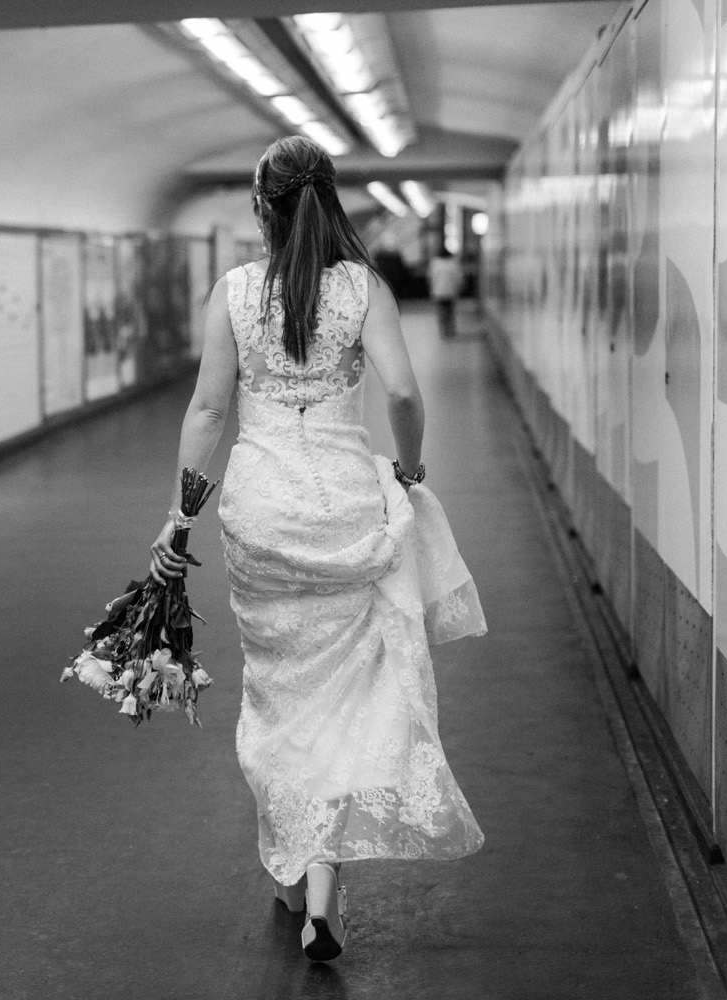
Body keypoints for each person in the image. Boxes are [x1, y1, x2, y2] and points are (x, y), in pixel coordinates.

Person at [150, 138, 486, 962]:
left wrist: (178, 517)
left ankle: (293, 871)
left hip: (260, 512)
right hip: (344, 505)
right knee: (345, 693)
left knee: (279, 695)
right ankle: (321, 890)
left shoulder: (233, 294)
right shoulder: (362, 289)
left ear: (262, 209)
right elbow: (403, 392)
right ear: (332, 204)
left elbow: (207, 412)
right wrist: (406, 469)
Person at [428, 246, 463, 338]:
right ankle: (450, 329)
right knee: (450, 311)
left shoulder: (435, 263)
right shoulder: (453, 263)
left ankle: (443, 330)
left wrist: (432, 288)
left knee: (441, 311)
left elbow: (430, 277)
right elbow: (458, 278)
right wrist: (459, 288)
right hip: (451, 291)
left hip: (438, 291)